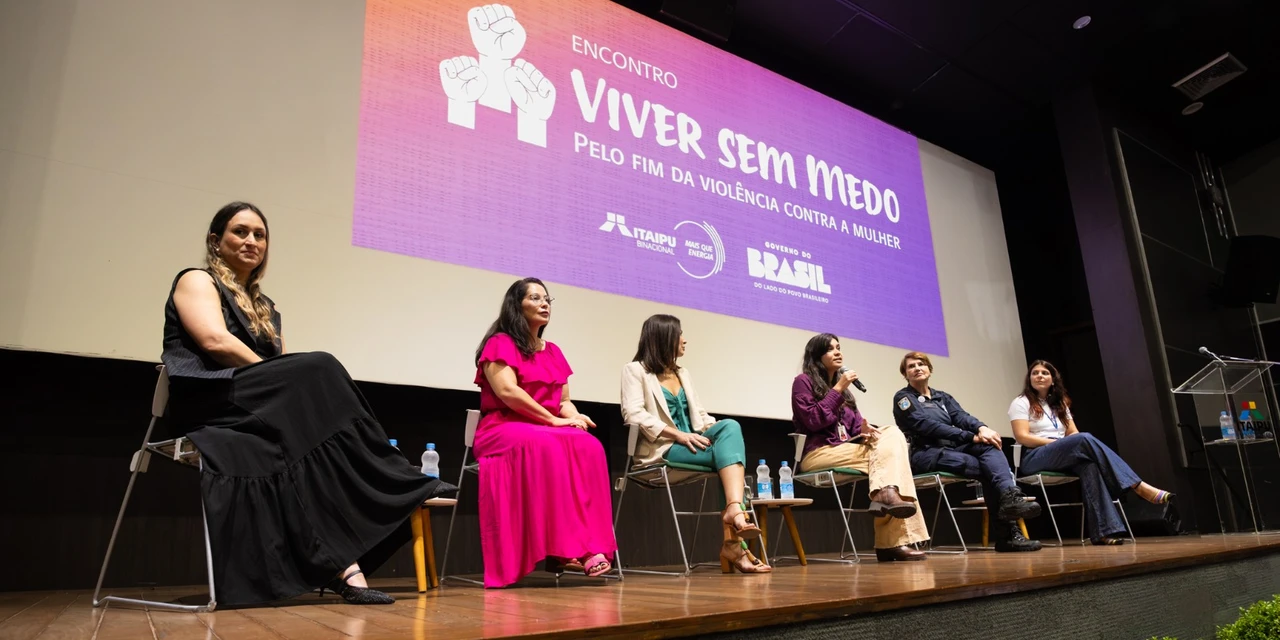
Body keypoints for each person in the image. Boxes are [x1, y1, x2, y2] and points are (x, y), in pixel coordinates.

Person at [162, 202, 453, 606]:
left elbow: (283, 371)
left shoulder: (266, 308)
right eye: (240, 232)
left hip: (252, 404)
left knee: (310, 448)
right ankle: (392, 472)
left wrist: (282, 378)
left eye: (259, 235)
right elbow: (215, 342)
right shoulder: (197, 280)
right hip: (211, 398)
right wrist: (279, 375)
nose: (251, 241)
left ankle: (343, 566)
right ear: (216, 241)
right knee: (319, 366)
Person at [473, 278, 617, 587]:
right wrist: (552, 422)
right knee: (548, 445)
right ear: (517, 305)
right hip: (502, 427)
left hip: (543, 428)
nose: (544, 303)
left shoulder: (553, 351)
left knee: (589, 446)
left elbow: (563, 401)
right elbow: (508, 392)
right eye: (535, 298)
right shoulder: (500, 343)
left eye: (547, 298)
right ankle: (570, 550)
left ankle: (590, 547)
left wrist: (575, 417)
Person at [621, 314, 771, 573]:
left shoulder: (683, 373)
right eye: (680, 334)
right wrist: (678, 434)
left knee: (730, 427)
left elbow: (700, 416)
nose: (685, 340)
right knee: (727, 460)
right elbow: (633, 414)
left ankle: (734, 511)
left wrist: (715, 429)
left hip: (696, 443)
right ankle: (735, 542)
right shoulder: (635, 371)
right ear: (664, 336)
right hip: (665, 449)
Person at [791, 334, 929, 561]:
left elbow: (855, 426)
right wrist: (838, 388)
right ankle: (890, 543)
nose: (838, 352)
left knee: (892, 434)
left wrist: (864, 431)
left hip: (847, 449)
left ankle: (885, 495)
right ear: (816, 356)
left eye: (839, 347)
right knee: (891, 462)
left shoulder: (845, 392)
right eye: (830, 349)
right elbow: (813, 420)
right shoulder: (803, 382)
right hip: (818, 453)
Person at [892, 351, 1043, 552]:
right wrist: (969, 436)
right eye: (911, 366)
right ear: (905, 374)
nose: (917, 368)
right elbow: (926, 425)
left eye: (921, 364)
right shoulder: (903, 398)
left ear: (929, 369)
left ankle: (1010, 498)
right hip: (927, 453)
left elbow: (962, 417)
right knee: (989, 470)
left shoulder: (942, 397)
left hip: (954, 449)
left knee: (990, 446)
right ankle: (1007, 535)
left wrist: (982, 428)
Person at [1009, 360, 1172, 545]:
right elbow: (1022, 437)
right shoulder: (1021, 402)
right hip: (1034, 457)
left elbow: (1073, 434)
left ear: (1053, 380)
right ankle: (1138, 486)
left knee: (1090, 466)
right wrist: (1057, 443)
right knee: (1084, 438)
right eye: (1034, 373)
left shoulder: (1059, 404)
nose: (1039, 376)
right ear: (1029, 379)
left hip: (1061, 455)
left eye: (1045, 373)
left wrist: (1065, 444)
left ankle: (1104, 532)